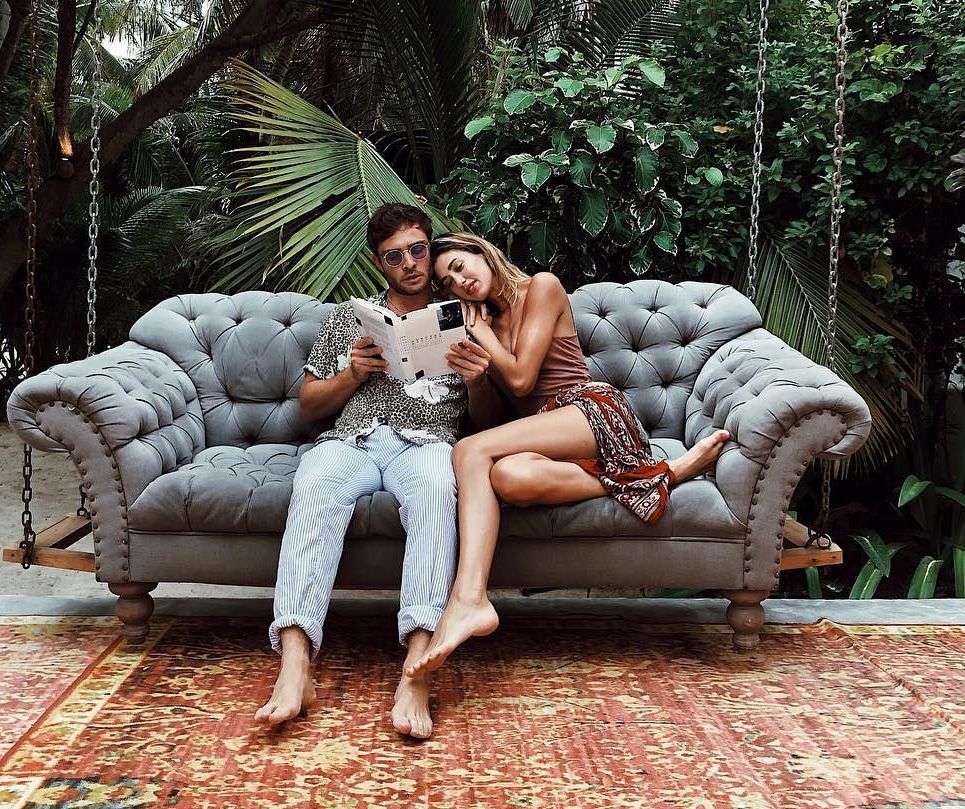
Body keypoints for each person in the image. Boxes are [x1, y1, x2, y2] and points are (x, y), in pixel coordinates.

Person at [404, 233, 731, 677]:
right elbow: (492, 420)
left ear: (482, 253)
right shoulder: (480, 327)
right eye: (447, 282)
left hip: (590, 411)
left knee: (467, 450)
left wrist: (481, 335)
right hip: (544, 434)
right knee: (510, 478)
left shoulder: (541, 287)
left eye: (460, 266)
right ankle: (660, 474)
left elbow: (522, 379)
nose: (459, 282)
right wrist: (476, 380)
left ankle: (469, 598)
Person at [255, 207, 500, 738]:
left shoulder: (466, 317)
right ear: (378, 263)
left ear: (430, 249)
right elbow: (308, 406)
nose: (409, 263)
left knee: (437, 491)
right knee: (315, 485)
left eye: (417, 250)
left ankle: (418, 667)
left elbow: (486, 423)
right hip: (354, 438)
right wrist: (352, 374)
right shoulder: (351, 317)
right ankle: (295, 664)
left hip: (428, 442)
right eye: (394, 256)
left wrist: (478, 381)